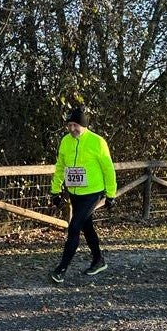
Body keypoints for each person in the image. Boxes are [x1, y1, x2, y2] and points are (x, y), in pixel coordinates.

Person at [48, 106, 116, 283]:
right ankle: (98, 260)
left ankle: (61, 269)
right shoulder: (65, 141)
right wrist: (55, 190)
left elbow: (108, 169)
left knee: (74, 227)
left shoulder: (97, 142)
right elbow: (61, 166)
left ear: (84, 124)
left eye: (75, 125)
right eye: (69, 125)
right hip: (74, 192)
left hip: (93, 192)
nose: (72, 129)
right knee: (87, 227)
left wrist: (111, 194)